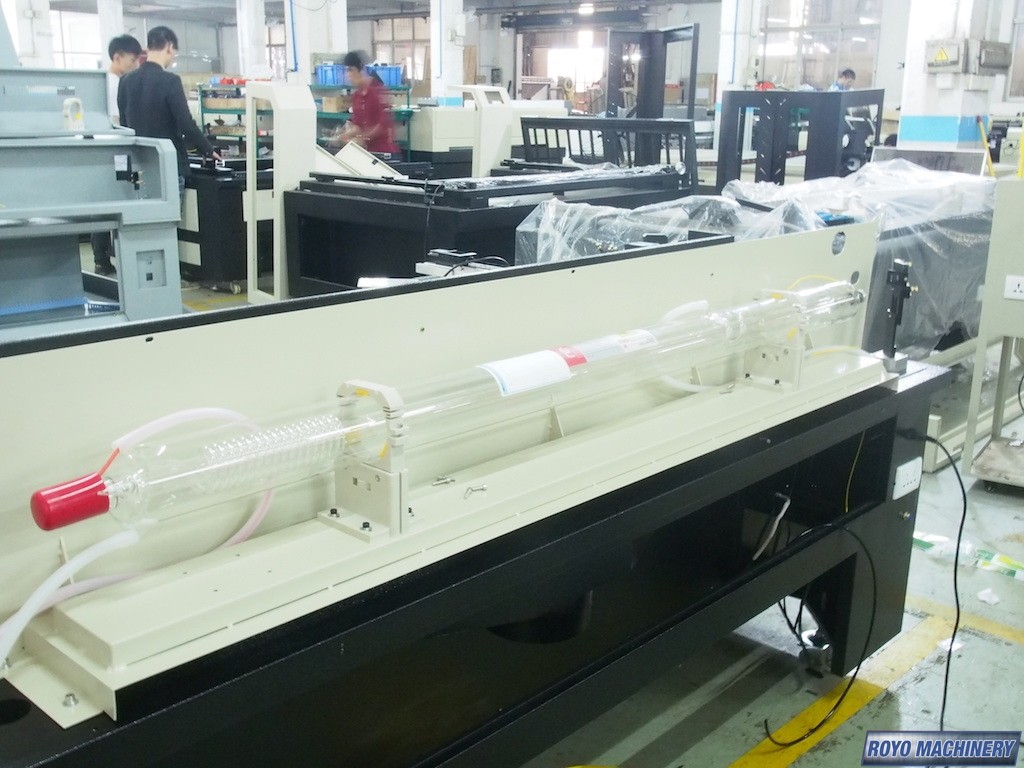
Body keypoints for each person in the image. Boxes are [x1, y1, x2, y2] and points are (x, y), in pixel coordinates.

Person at [118, 26, 220, 204]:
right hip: (169, 167)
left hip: (139, 166)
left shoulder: (125, 81)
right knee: (169, 219)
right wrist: (208, 149)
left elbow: (124, 126)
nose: (172, 58)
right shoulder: (170, 81)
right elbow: (185, 123)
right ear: (169, 47)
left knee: (143, 217)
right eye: (174, 53)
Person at [93, 34, 142, 275]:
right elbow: (117, 121)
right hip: (113, 151)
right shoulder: (113, 84)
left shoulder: (105, 81)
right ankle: (103, 258)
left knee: (105, 205)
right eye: (132, 60)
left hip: (107, 151)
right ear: (117, 57)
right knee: (112, 204)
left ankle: (102, 258)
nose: (135, 65)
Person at [331, 50, 399, 155]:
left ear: (362, 70)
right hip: (366, 151)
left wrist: (364, 138)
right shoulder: (357, 96)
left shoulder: (378, 91)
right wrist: (343, 137)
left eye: (351, 70)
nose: (348, 75)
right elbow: (358, 125)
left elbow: (383, 124)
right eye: (346, 71)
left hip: (383, 152)